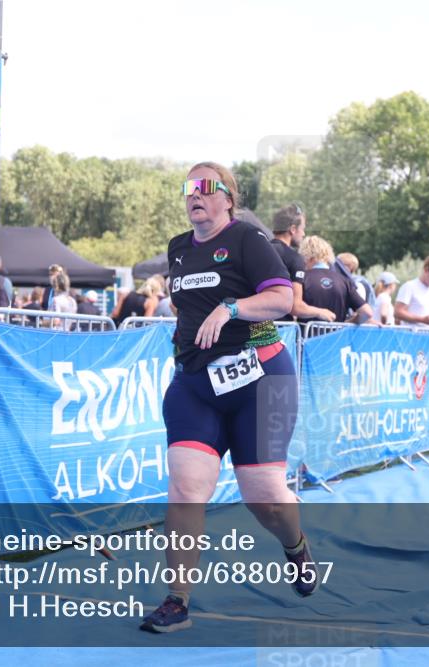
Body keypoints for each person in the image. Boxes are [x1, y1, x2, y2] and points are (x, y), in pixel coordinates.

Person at [140, 161, 315, 634]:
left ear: (228, 199)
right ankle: (177, 600)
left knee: (266, 501)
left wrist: (232, 308)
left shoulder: (248, 240)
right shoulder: (178, 248)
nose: (194, 194)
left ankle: (296, 546)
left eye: (205, 187)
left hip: (261, 379)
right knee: (185, 488)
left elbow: (282, 300)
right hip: (197, 385)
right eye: (188, 187)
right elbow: (182, 303)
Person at [269, 204, 335, 322]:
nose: (304, 234)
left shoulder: (258, 250)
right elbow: (295, 306)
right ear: (293, 229)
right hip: (279, 331)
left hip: (252, 326)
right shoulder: (295, 258)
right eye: (303, 229)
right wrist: (321, 312)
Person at [297, 236, 373, 325]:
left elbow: (295, 307)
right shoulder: (344, 281)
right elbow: (367, 313)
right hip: (337, 337)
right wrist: (348, 323)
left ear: (306, 255)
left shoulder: (301, 278)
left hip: (308, 337)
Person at [394, 256, 429, 327]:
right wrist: (422, 320)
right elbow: (397, 312)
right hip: (412, 335)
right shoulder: (409, 286)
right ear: (426, 270)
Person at [336, 252, 378, 322]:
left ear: (349, 267)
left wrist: (349, 322)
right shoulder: (358, 282)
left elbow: (359, 311)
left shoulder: (357, 283)